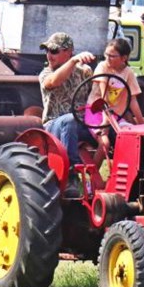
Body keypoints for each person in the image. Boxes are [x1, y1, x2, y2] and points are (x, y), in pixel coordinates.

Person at [38, 32, 97, 195]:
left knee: (112, 128)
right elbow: (53, 82)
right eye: (47, 51)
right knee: (69, 121)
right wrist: (74, 61)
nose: (49, 55)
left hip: (82, 123)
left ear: (68, 51)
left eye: (54, 51)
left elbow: (95, 94)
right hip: (55, 125)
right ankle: (71, 174)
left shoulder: (84, 72)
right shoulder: (46, 74)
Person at [85, 37, 144, 165]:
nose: (107, 58)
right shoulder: (103, 67)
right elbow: (103, 98)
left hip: (115, 115)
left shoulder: (128, 73)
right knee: (105, 143)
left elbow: (132, 100)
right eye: (106, 55)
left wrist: (142, 125)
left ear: (124, 58)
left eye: (112, 56)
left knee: (131, 137)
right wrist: (106, 122)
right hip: (96, 111)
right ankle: (93, 177)